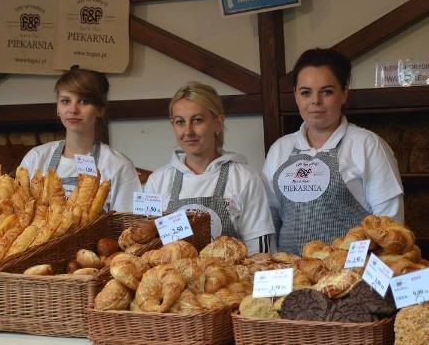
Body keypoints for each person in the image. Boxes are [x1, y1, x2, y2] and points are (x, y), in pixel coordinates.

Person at [261, 48, 404, 255]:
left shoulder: (367, 145)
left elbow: (390, 225)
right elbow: (270, 218)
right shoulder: (280, 149)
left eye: (327, 91)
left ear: (344, 93)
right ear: (295, 96)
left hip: (350, 277)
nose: (315, 101)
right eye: (305, 92)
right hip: (291, 276)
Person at [144, 81, 276, 255]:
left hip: (230, 281)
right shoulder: (157, 181)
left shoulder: (245, 179)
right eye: (180, 122)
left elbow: (260, 253)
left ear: (218, 123)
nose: (188, 131)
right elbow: (145, 244)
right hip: (173, 280)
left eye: (197, 120)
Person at [20, 67, 142, 212]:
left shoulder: (118, 165)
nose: (73, 109)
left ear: (100, 109)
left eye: (84, 101)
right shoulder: (36, 158)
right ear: (57, 108)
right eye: (65, 101)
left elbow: (125, 224)